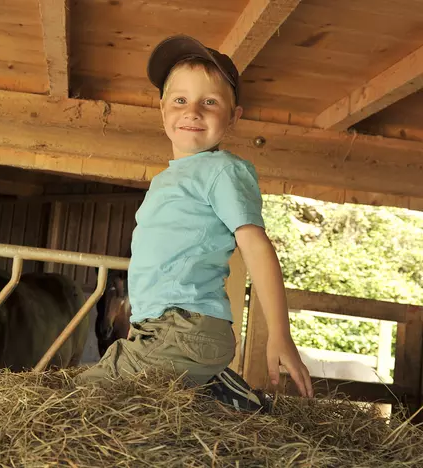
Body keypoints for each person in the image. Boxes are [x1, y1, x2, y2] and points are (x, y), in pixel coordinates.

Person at [77, 35, 313, 402]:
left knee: (86, 395)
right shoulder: (166, 179)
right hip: (160, 328)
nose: (192, 111)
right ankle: (219, 393)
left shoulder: (223, 171)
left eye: (210, 102)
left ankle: (220, 389)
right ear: (162, 109)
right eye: (180, 100)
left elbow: (255, 244)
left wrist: (279, 333)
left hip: (184, 326)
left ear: (234, 116)